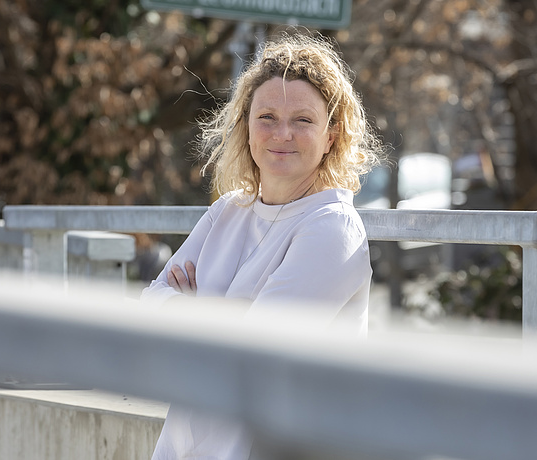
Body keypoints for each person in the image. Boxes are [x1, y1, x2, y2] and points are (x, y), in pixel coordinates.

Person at [141, 32, 384, 460]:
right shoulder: (227, 212)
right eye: (267, 116)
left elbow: (252, 357)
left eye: (303, 120)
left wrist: (187, 310)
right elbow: (146, 312)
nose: (281, 133)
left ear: (331, 135)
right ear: (247, 128)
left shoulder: (333, 228)